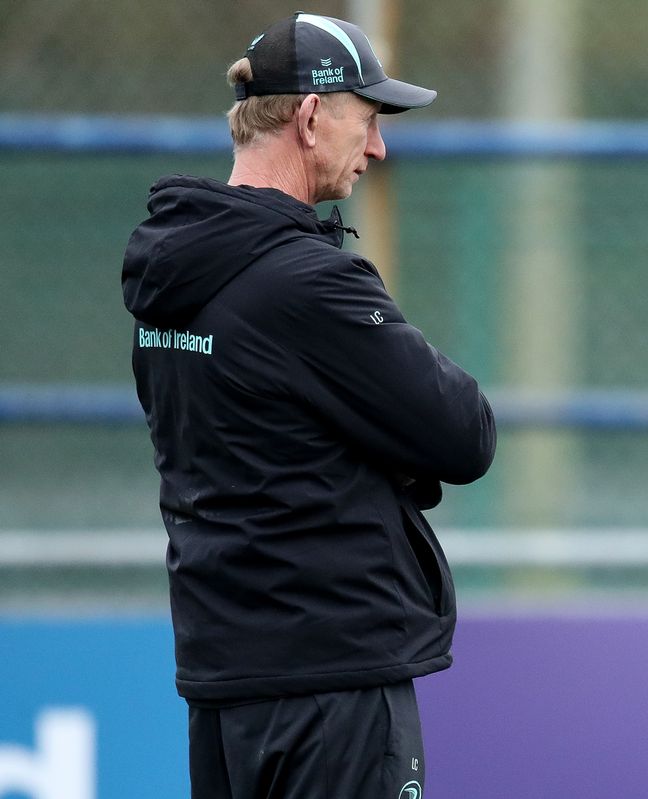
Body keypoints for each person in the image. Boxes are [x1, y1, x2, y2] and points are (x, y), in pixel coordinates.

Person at [121, 12, 496, 799]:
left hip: (223, 677)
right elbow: (465, 435)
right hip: (332, 681)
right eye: (368, 121)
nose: (379, 147)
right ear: (310, 115)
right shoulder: (309, 282)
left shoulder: (167, 275)